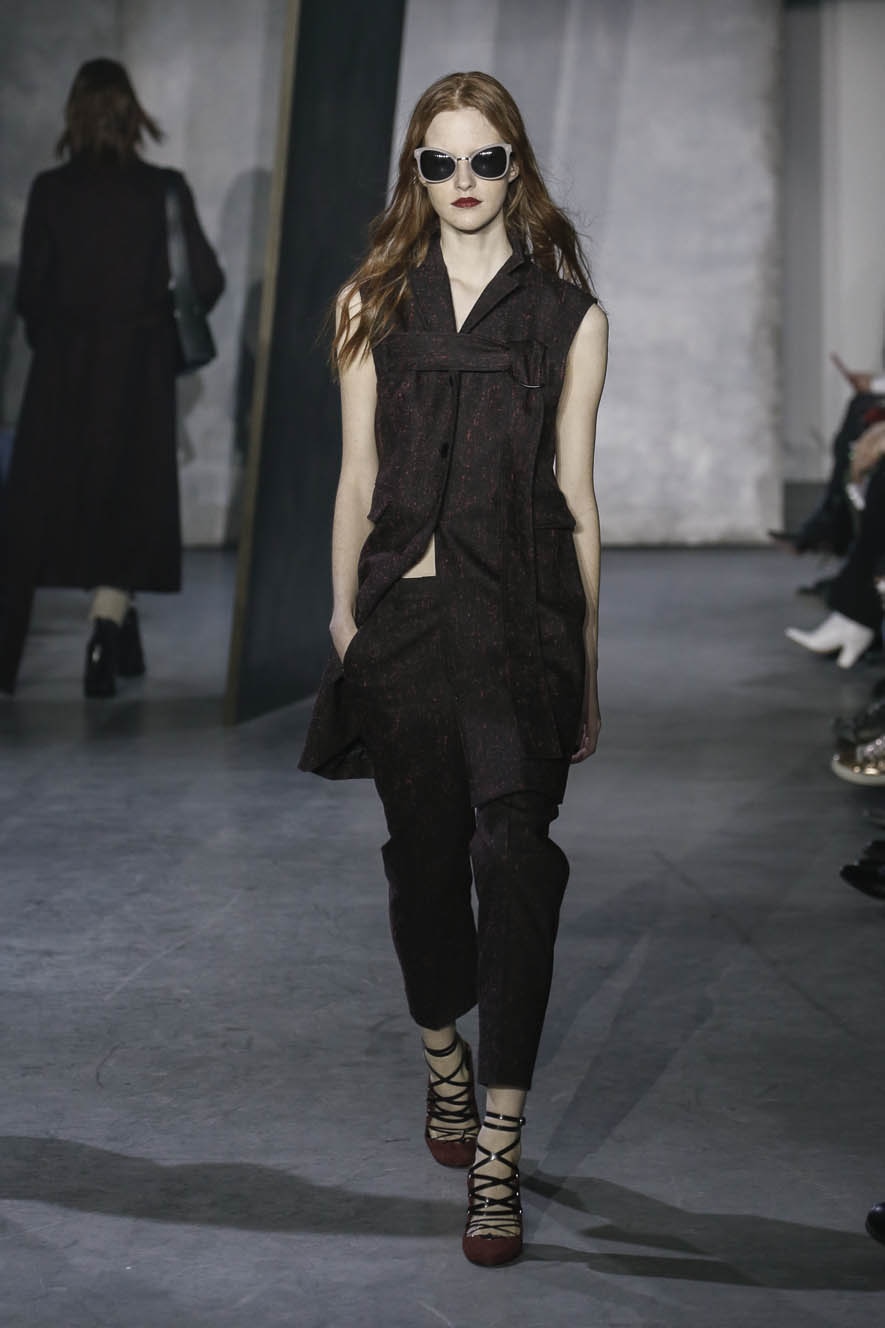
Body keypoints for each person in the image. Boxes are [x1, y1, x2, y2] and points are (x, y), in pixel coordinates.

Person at [298, 71, 608, 1266]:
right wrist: (346, 620)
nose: (464, 181)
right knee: (424, 869)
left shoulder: (569, 318)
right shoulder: (372, 303)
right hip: (409, 628)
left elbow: (578, 499)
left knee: (516, 866)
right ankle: (444, 1054)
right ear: (415, 174)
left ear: (516, 167)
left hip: (524, 625)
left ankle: (498, 1150)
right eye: (441, 162)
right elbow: (356, 478)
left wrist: (588, 663)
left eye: (486, 160)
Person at [0, 58, 224, 697]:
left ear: (74, 113)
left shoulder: (51, 191)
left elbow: (30, 293)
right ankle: (105, 633)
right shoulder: (164, 188)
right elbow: (206, 280)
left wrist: (57, 340)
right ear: (132, 115)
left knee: (36, 514)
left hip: (62, 373)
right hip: (137, 375)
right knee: (126, 505)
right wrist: (154, 333)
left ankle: (6, 658)